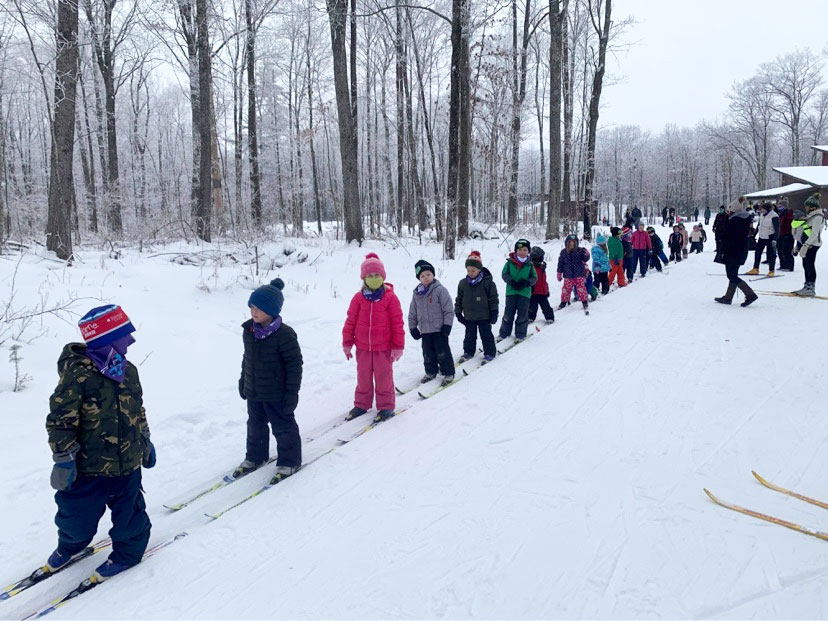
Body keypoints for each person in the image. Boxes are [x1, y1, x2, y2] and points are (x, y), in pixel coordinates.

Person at [43, 305, 154, 583]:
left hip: (127, 463)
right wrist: (63, 457)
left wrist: (146, 439)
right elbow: (60, 419)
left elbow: (137, 410)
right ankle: (71, 545)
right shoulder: (79, 374)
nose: (131, 341)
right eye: (124, 335)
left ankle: (128, 553)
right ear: (105, 340)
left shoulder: (129, 371)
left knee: (131, 517)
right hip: (88, 467)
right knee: (75, 518)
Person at [237, 278, 303, 483]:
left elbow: (294, 365)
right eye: (251, 307)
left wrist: (292, 393)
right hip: (254, 390)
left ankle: (290, 461)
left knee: (283, 426)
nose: (253, 312)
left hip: (277, 393)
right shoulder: (249, 330)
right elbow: (246, 357)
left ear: (272, 310)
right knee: (255, 425)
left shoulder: (285, 335)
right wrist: (243, 380)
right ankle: (255, 457)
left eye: (259, 308)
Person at [342, 253, 404, 423]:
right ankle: (362, 405)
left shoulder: (390, 298)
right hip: (362, 347)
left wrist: (398, 346)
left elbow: (398, 323)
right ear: (364, 278)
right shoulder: (358, 298)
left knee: (384, 378)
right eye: (370, 275)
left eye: (377, 275)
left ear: (382, 276)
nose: (373, 278)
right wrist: (347, 342)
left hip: (383, 348)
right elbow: (350, 321)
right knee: (363, 377)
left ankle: (386, 407)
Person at [408, 260, 455, 387]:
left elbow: (449, 310)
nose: (426, 277)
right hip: (425, 331)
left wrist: (447, 326)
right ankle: (431, 371)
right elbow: (412, 313)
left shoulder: (440, 290)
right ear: (419, 278)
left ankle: (448, 372)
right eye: (422, 276)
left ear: (433, 275)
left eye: (428, 274)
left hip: (439, 330)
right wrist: (413, 328)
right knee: (427, 353)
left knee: (442, 352)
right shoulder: (417, 294)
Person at [455, 250, 499, 363]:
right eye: (468, 270)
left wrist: (494, 311)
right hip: (469, 316)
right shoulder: (463, 283)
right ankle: (468, 352)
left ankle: (489, 352)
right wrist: (458, 312)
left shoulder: (488, 283)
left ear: (479, 269)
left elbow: (493, 299)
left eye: (473, 270)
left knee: (486, 335)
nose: (470, 272)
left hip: (484, 315)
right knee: (469, 336)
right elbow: (459, 299)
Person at [714, 200, 758, 307]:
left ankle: (750, 294)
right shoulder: (743, 220)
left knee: (731, 275)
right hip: (739, 250)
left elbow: (729, 237)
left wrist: (723, 247)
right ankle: (728, 297)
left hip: (733, 251)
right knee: (733, 274)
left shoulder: (735, 221)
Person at [498, 238, 537, 343]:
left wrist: (527, 282)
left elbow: (534, 278)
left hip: (524, 293)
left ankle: (520, 334)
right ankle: (504, 333)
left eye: (524, 250)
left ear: (528, 251)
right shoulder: (509, 263)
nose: (522, 252)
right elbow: (504, 274)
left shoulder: (530, 265)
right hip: (511, 292)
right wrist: (511, 281)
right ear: (516, 251)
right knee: (508, 313)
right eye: (519, 250)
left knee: (522, 314)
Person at [792, 193, 824, 296]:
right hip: (805, 243)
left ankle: (811, 287)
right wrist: (798, 245)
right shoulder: (810, 216)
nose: (805, 207)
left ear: (811, 206)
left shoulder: (818, 216)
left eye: (807, 205)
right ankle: (806, 285)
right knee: (805, 264)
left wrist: (806, 245)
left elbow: (814, 233)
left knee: (810, 264)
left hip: (812, 244)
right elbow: (804, 231)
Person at [556, 234, 590, 313]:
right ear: (566, 244)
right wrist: (559, 272)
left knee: (581, 288)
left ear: (576, 244)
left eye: (573, 244)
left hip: (579, 274)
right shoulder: (563, 252)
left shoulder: (580, 251)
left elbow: (585, 259)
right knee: (566, 289)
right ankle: (564, 302)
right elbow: (560, 263)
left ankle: (584, 301)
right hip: (568, 275)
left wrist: (587, 254)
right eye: (570, 244)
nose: (572, 246)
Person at [745, 202, 779, 276]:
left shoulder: (774, 216)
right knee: (757, 253)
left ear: (767, 209)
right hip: (762, 237)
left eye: (762, 209)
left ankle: (771, 270)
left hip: (770, 237)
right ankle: (755, 268)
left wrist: (775, 239)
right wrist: (754, 235)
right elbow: (759, 225)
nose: (761, 210)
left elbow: (777, 229)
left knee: (770, 254)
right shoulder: (762, 215)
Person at [527, 246, 555, 324]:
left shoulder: (542, 267)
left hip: (542, 292)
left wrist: (547, 290)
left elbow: (544, 281)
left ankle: (549, 317)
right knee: (532, 307)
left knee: (546, 307)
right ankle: (530, 317)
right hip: (533, 292)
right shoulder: (530, 267)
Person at [776, 200, 795, 272]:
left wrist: (788, 232)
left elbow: (789, 224)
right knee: (780, 250)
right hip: (780, 234)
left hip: (787, 235)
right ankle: (782, 265)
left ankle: (789, 266)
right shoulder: (779, 213)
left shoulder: (789, 213)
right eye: (778, 206)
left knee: (787, 250)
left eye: (781, 206)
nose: (779, 207)